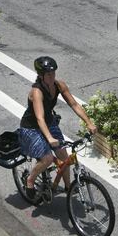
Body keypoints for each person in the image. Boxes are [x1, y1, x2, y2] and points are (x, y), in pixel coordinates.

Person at [17, 56, 97, 201]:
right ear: (41, 75)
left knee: (64, 156)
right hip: (31, 128)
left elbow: (74, 104)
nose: (52, 76)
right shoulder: (37, 91)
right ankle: (30, 180)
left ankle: (68, 187)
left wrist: (88, 122)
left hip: (49, 123)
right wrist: (49, 138)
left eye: (53, 73)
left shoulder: (59, 85)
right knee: (47, 158)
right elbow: (39, 118)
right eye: (48, 74)